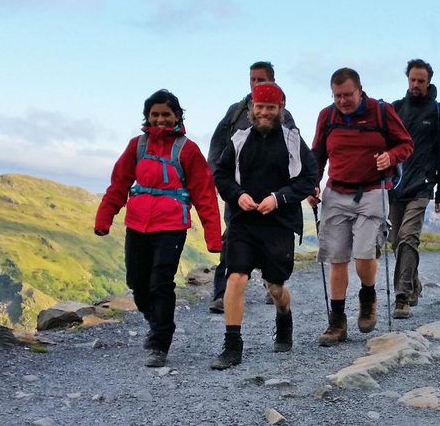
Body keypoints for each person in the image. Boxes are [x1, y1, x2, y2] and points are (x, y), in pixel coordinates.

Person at [94, 89, 222, 367]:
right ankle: (156, 322)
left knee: (160, 283)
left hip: (171, 226)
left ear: (177, 116)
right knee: (137, 284)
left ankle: (159, 341)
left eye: (166, 114)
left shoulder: (187, 150)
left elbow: (204, 194)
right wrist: (104, 218)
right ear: (147, 117)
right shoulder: (137, 146)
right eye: (155, 115)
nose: (161, 119)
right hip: (137, 225)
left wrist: (214, 238)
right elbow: (118, 185)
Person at [210, 82, 316, 369]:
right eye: (260, 107)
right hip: (243, 222)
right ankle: (232, 346)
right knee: (236, 277)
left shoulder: (293, 140)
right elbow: (221, 174)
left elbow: (309, 177)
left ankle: (284, 316)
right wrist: (238, 195)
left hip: (279, 224)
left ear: (280, 109)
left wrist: (278, 199)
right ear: (252, 109)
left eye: (271, 107)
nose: (265, 112)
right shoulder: (239, 138)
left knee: (275, 286)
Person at [308, 67, 414, 346]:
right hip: (336, 192)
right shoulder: (327, 116)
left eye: (347, 95)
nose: (342, 101)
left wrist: (390, 157)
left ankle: (368, 295)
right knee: (337, 257)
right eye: (337, 96)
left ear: (360, 90)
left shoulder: (381, 112)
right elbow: (317, 154)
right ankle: (337, 323)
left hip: (372, 191)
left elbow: (406, 144)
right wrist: (313, 184)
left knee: (365, 255)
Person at [207, 61, 297, 314]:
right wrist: (221, 180)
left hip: (272, 199)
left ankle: (274, 286)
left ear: (273, 81)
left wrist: (283, 194)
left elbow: (296, 160)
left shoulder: (284, 116)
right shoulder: (235, 112)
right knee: (232, 241)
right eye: (253, 79)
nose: (255, 84)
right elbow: (217, 147)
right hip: (238, 194)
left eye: (261, 79)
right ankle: (221, 293)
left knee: (273, 248)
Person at [388, 59, 440, 319]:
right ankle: (414, 284)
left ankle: (402, 297)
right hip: (395, 186)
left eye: (421, 81)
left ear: (429, 82)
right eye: (412, 80)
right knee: (395, 242)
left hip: (423, 187)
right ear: (407, 79)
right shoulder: (395, 109)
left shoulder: (438, 113)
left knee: (407, 237)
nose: (415, 85)